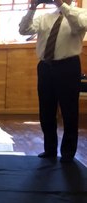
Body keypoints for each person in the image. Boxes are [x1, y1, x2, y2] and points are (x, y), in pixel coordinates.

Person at [19, 0, 87, 162]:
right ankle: (49, 149)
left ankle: (68, 153)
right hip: (45, 66)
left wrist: (62, 5)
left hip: (68, 66)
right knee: (46, 110)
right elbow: (24, 30)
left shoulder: (80, 13)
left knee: (69, 110)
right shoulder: (44, 17)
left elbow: (80, 26)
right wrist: (32, 7)